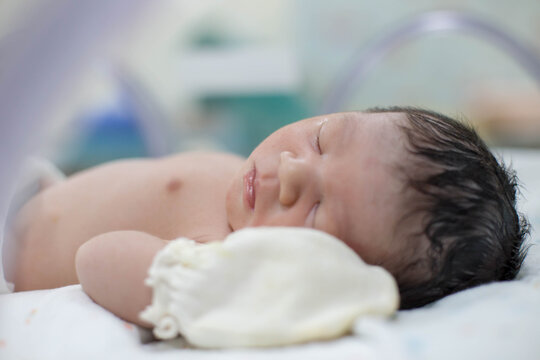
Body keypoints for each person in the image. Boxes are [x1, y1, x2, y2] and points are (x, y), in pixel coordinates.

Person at [3, 106, 529, 328]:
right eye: (322, 138)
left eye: (318, 210)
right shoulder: (247, 190)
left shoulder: (215, 256)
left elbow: (93, 259)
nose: (293, 169)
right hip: (31, 184)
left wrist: (194, 288)